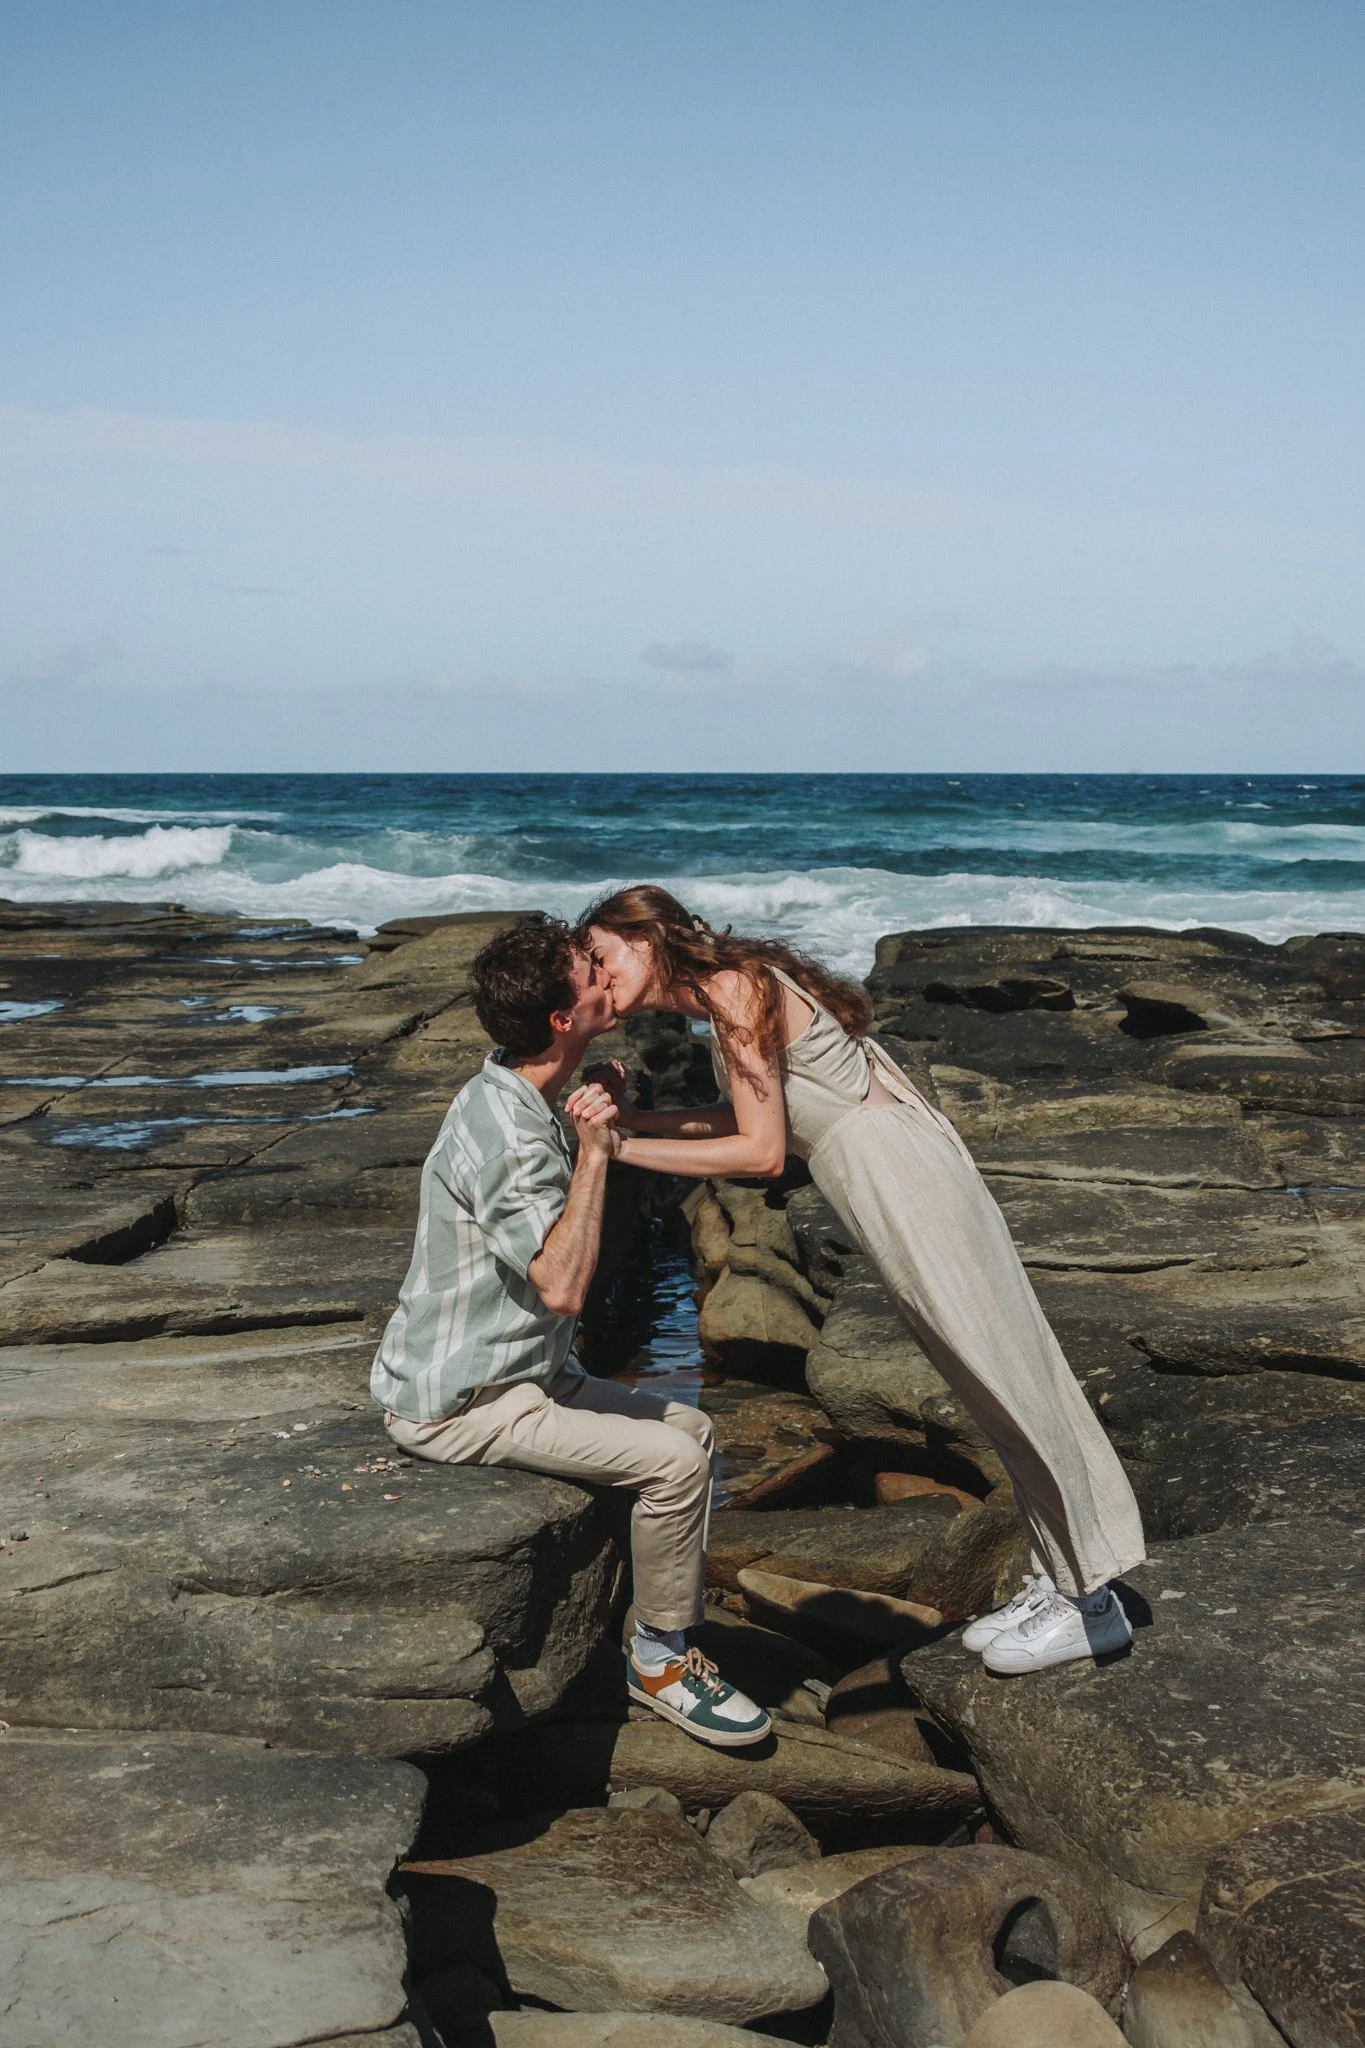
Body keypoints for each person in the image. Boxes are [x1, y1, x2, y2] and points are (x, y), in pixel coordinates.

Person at [576, 886, 1147, 1676]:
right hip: (887, 1171)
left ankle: (1091, 1601)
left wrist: (619, 1152)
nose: (598, 979)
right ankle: (1060, 1577)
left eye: (602, 956)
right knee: (986, 1376)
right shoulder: (727, 991)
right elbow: (735, 1116)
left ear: (651, 938)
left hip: (898, 1176)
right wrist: (628, 1123)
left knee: (1005, 1368)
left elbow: (761, 1154)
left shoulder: (734, 989)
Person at [371, 914, 770, 1747]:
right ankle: (658, 1660)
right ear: (561, 1019)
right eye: (589, 968)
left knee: (690, 1426)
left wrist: (609, 1117)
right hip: (465, 1402)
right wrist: (595, 1154)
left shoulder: (514, 1090)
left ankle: (641, 1616)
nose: (604, 970)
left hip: (522, 1373)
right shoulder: (511, 1135)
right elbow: (560, 1285)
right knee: (669, 1464)